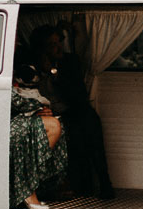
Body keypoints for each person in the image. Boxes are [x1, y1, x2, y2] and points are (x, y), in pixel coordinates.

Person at [33, 24, 114, 199]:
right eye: (52, 44)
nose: (58, 47)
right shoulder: (33, 66)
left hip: (74, 109)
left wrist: (54, 73)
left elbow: (77, 93)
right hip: (50, 114)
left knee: (90, 124)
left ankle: (104, 182)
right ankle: (76, 186)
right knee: (74, 135)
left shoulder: (70, 62)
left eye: (59, 42)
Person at [10, 53, 67, 209]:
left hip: (19, 117)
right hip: (6, 121)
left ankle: (33, 186)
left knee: (57, 124)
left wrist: (42, 109)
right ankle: (27, 190)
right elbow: (12, 100)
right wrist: (37, 108)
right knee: (52, 126)